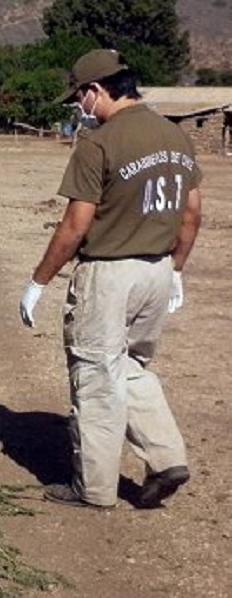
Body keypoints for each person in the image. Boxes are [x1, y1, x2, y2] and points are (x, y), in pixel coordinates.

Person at [19, 49, 203, 509]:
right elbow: (192, 213)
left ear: (96, 90)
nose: (79, 105)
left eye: (80, 96)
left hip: (110, 274)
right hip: (157, 271)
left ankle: (95, 490)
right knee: (131, 367)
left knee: (97, 376)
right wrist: (176, 269)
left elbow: (75, 226)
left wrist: (39, 280)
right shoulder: (174, 136)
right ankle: (166, 457)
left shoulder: (98, 143)